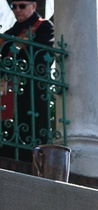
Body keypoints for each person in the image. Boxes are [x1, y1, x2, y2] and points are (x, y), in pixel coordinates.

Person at [0, 1, 54, 163]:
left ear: (33, 6)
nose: (17, 10)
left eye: (22, 6)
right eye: (13, 6)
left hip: (31, 95)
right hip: (6, 93)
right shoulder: (8, 34)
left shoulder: (44, 27)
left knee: (28, 136)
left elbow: (44, 58)